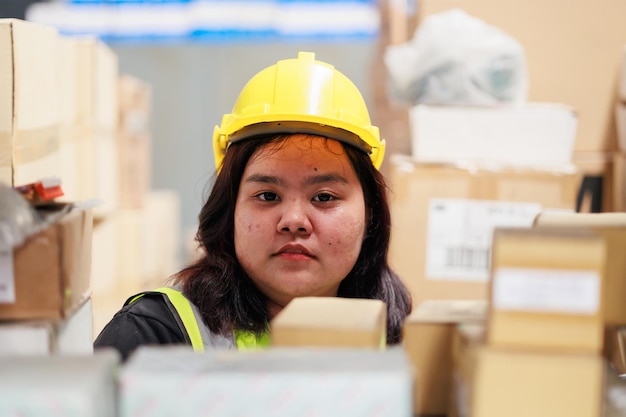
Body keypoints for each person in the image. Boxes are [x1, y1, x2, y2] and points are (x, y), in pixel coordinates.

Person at [94, 51, 412, 361]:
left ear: (370, 214)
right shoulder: (153, 337)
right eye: (267, 196)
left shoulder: (408, 340)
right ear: (230, 209)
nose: (294, 220)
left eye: (324, 197)